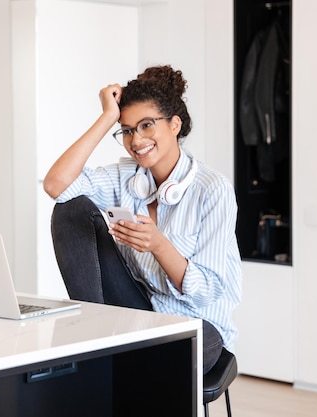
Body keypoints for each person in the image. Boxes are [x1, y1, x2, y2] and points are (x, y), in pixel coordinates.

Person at [43, 65, 242, 374]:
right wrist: (107, 117)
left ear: (175, 124)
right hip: (141, 315)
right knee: (71, 210)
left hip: (199, 326)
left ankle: (103, 360)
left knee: (173, 353)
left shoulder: (212, 190)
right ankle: (95, 343)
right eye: (126, 130)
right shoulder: (126, 177)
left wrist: (159, 246)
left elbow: (207, 292)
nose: (136, 140)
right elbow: (56, 184)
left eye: (147, 125)